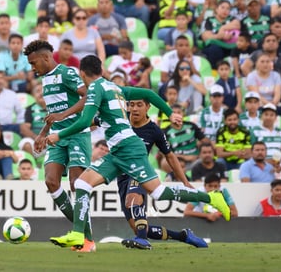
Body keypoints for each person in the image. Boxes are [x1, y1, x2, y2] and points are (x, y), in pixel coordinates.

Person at [47, 55, 231, 249]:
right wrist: (170, 113)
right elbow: (148, 94)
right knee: (83, 184)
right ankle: (78, 235)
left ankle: (211, 197)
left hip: (129, 148)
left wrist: (58, 136)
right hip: (117, 151)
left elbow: (85, 122)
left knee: (158, 192)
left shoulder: (95, 87)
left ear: (82, 73)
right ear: (101, 70)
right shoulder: (115, 88)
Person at [23, 40, 95, 252]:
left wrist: (63, 116)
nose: (32, 68)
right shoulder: (46, 79)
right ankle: (84, 235)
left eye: (33, 63)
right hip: (55, 137)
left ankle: (83, 239)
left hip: (76, 135)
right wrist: (42, 134)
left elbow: (88, 96)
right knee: (51, 181)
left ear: (46, 58)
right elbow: (54, 111)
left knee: (76, 183)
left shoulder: (68, 73)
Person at [118, 98, 208, 249]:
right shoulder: (120, 121)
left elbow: (170, 156)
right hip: (121, 177)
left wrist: (185, 181)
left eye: (139, 105)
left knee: (132, 199)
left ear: (148, 107)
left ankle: (141, 241)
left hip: (140, 172)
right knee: (140, 228)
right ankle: (183, 235)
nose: (134, 109)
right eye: (131, 105)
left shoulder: (154, 130)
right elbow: (94, 120)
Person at [162, 104, 208, 172]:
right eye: (174, 113)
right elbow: (165, 152)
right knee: (164, 162)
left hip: (195, 158)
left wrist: (199, 153)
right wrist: (184, 157)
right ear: (169, 116)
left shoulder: (191, 126)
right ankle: (174, 178)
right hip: (177, 159)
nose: (177, 115)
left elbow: (205, 141)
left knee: (206, 158)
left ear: (183, 114)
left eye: (179, 112)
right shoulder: (165, 132)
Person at [200, 0, 241, 67]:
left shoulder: (232, 19)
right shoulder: (209, 20)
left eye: (228, 9)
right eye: (222, 7)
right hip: (216, 46)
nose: (225, 10)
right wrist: (219, 36)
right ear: (216, 9)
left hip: (230, 45)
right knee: (215, 49)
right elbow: (206, 36)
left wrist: (223, 28)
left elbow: (237, 25)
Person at [19, 83, 48, 158]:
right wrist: (37, 138)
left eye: (43, 90)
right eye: (38, 91)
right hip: (36, 140)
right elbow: (25, 128)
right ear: (33, 96)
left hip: (52, 140)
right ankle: (32, 167)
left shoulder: (55, 107)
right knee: (27, 145)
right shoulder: (30, 108)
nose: (41, 93)